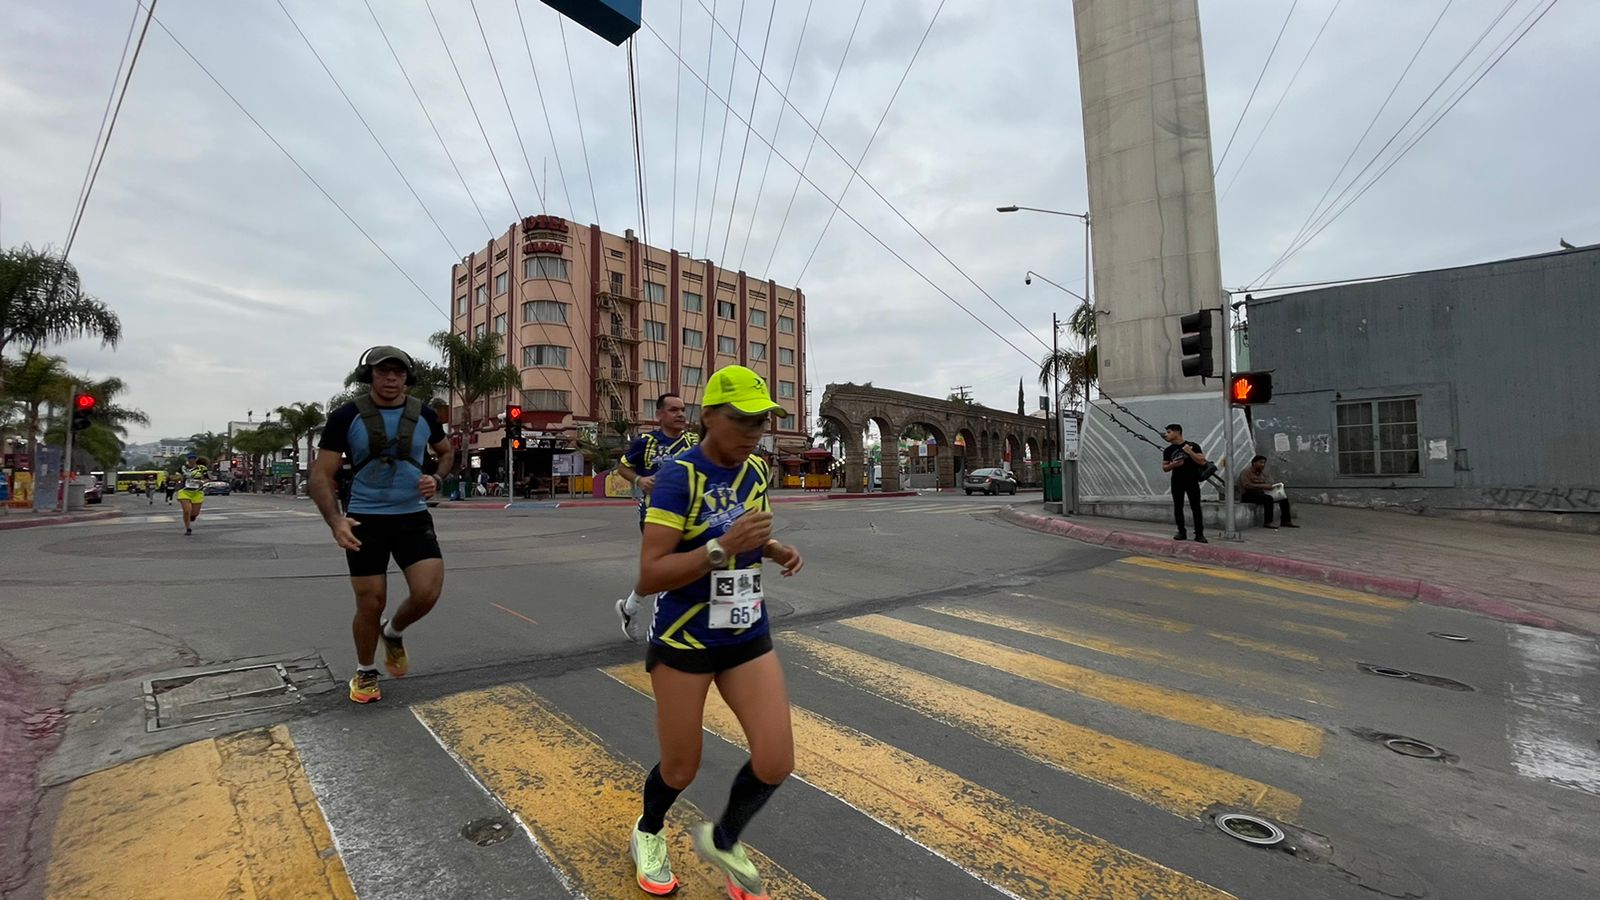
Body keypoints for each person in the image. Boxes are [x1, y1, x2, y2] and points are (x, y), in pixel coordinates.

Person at [628, 365, 804, 899]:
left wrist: (773, 549)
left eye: (763, 421)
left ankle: (725, 841)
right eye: (742, 420)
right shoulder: (680, 476)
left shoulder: (754, 472)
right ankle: (648, 832)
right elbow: (651, 573)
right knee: (681, 768)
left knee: (776, 760)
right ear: (709, 417)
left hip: (746, 630)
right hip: (685, 638)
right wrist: (722, 547)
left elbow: (752, 531)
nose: (754, 431)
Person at [309, 346, 454, 705]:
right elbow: (320, 475)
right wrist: (335, 520)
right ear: (369, 375)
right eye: (382, 372)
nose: (390, 379)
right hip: (364, 518)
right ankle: (365, 670)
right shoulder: (346, 416)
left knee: (427, 593)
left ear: (407, 377)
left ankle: (394, 632)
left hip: (412, 515)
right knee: (371, 602)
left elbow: (446, 452)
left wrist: (436, 477)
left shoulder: (425, 415)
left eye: (398, 372)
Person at [614, 392, 700, 642]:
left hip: (691, 513)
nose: (681, 414)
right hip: (656, 514)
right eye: (673, 410)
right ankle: (672, 628)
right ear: (660, 414)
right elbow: (622, 467)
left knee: (678, 569)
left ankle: (630, 608)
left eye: (683, 409)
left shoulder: (694, 441)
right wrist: (640, 480)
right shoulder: (645, 442)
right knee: (670, 569)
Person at [1161, 424, 1208, 543]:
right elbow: (1164, 467)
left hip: (1192, 480)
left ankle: (1199, 533)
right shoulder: (1168, 450)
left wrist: (1189, 452)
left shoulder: (1193, 445)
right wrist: (1173, 465)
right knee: (1178, 507)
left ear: (1177, 432)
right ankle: (1181, 531)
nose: (1166, 434)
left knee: (1196, 507)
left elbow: (1202, 462)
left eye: (1168, 432)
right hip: (1177, 481)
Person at [1238, 454, 1298, 529]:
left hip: (1260, 493)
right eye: (1260, 462)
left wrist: (1272, 487)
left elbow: (1266, 483)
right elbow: (1246, 485)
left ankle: (1286, 521)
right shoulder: (1246, 472)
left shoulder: (1261, 473)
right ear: (1254, 463)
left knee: (1283, 498)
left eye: (1264, 463)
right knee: (1268, 499)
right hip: (1248, 495)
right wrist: (1263, 486)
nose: (1262, 465)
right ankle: (1268, 522)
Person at [175, 454, 209, 535]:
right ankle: (188, 528)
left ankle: (192, 517)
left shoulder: (202, 468)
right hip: (184, 491)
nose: (192, 460)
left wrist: (202, 482)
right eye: (190, 458)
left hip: (197, 492)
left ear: (196, 459)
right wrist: (176, 478)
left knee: (194, 513)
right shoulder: (182, 468)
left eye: (193, 458)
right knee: (187, 511)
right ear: (188, 459)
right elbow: (177, 477)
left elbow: (207, 478)